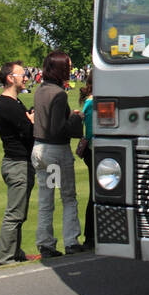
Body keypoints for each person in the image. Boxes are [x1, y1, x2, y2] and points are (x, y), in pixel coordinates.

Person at [32, 51, 85, 258]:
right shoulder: (59, 94)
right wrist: (75, 119)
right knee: (68, 197)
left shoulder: (40, 90)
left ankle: (45, 243)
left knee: (46, 198)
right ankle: (71, 241)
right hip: (55, 152)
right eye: (68, 67)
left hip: (39, 149)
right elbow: (58, 128)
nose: (70, 71)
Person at [0, 62, 35, 265]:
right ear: (10, 77)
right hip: (17, 164)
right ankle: (5, 257)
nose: (26, 77)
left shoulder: (16, 103)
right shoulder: (7, 105)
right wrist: (32, 122)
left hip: (22, 163)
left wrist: (30, 119)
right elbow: (28, 132)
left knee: (21, 212)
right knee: (14, 214)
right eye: (22, 74)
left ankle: (15, 251)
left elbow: (27, 123)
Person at [77, 70, 95, 251]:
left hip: (93, 151)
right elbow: (90, 132)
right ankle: (90, 236)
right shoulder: (92, 102)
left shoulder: (89, 101)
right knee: (95, 194)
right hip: (94, 151)